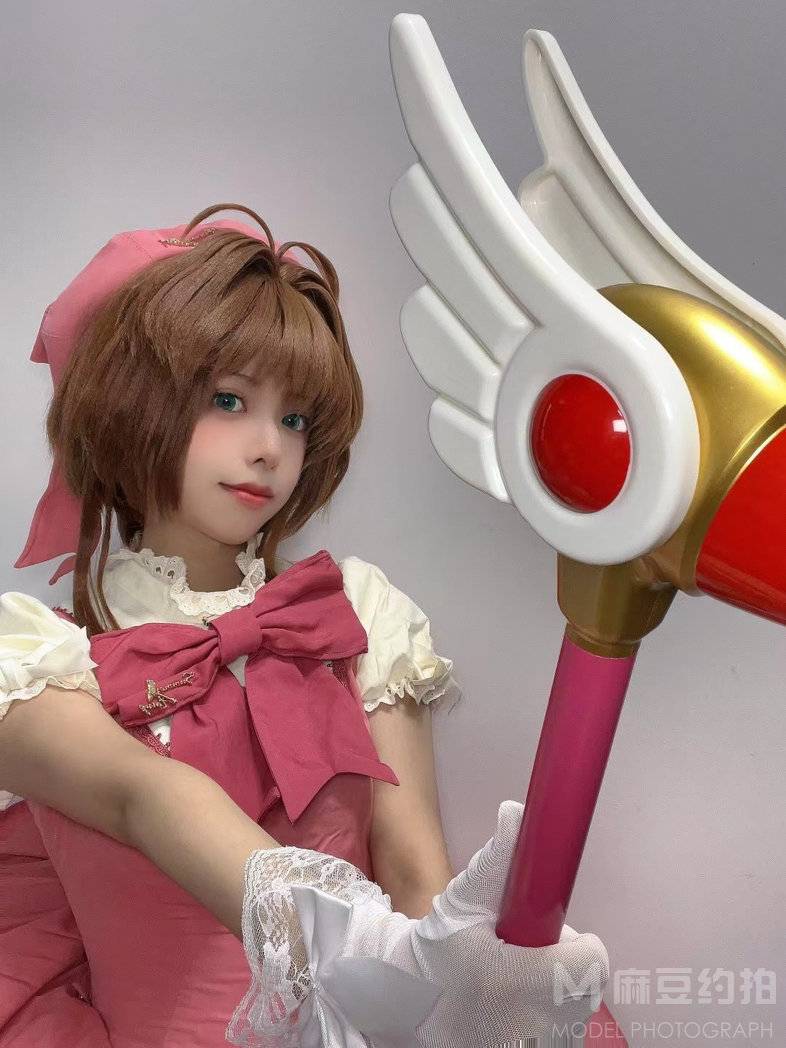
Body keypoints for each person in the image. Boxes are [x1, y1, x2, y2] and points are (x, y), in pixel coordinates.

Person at [0, 202, 609, 1046]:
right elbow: (146, 795)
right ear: (130, 406)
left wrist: (459, 988)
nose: (269, 448)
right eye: (228, 400)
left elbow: (414, 872)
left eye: (293, 418)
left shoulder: (357, 614)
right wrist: (352, 949)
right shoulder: (29, 658)